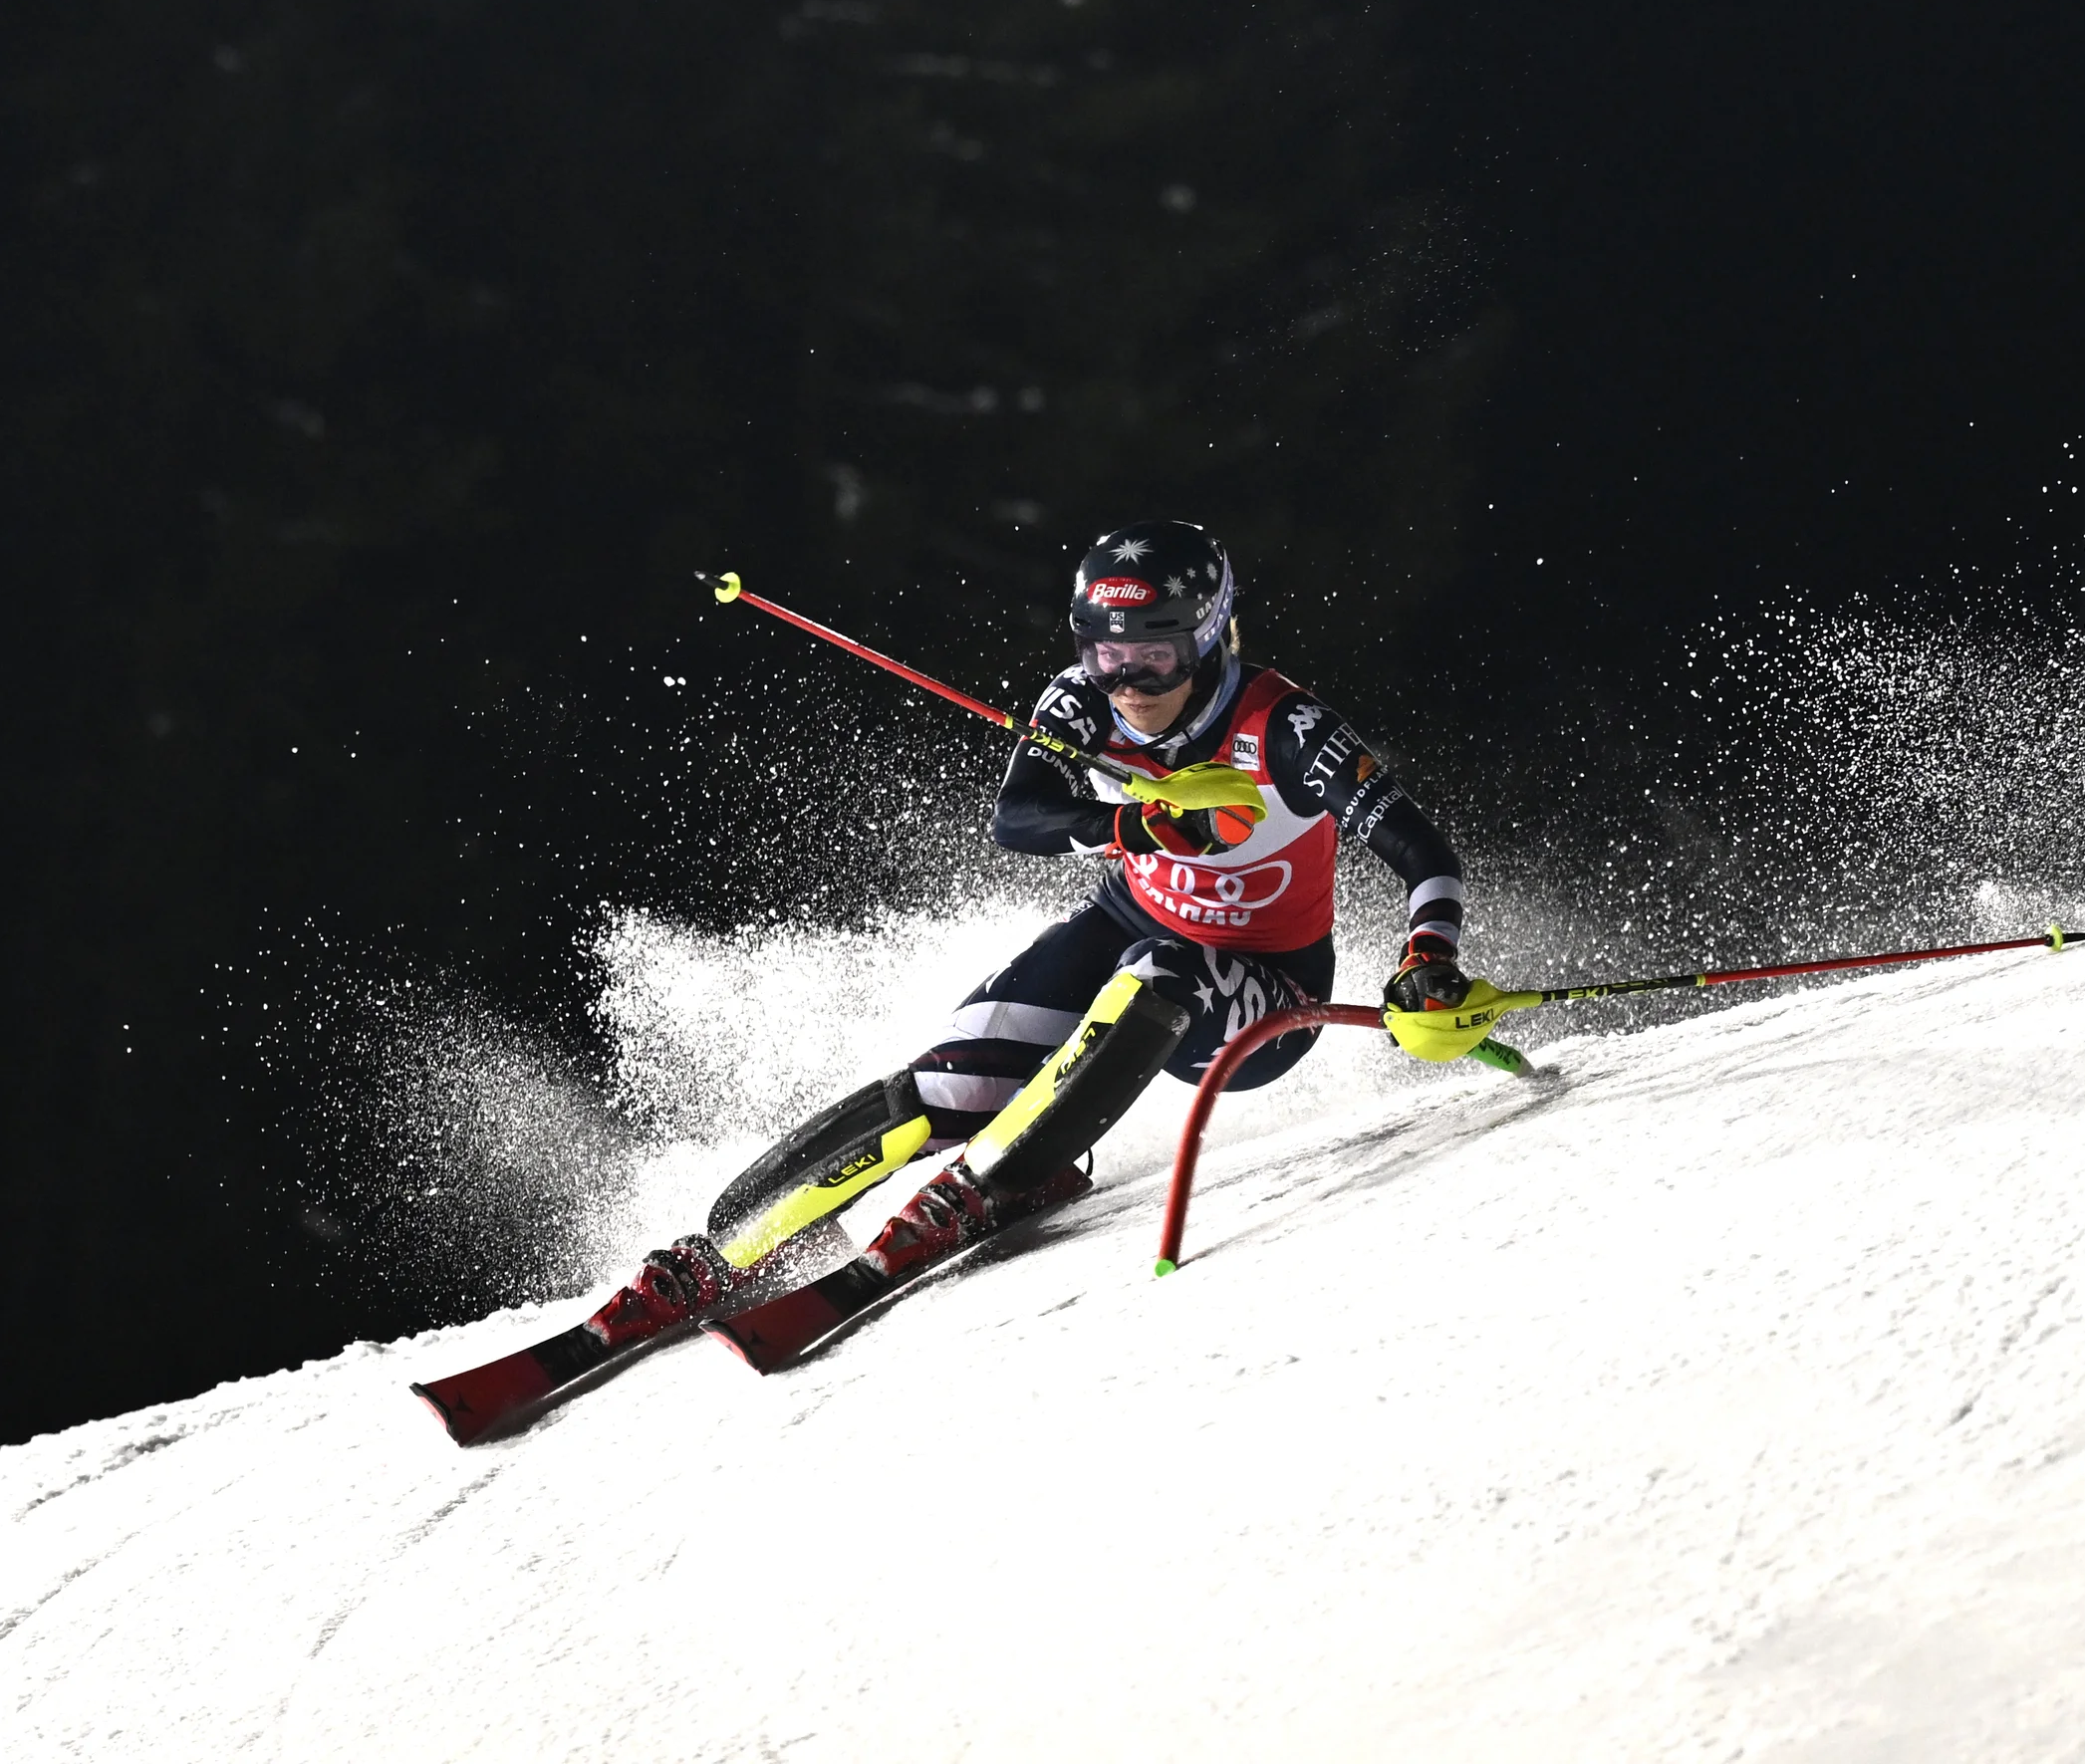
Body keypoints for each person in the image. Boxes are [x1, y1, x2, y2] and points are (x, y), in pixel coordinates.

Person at [592, 519, 1481, 1341]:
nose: (1130, 686)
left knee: (1159, 971)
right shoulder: (1083, 701)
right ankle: (725, 1250)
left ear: (1208, 640)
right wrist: (1132, 825)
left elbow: (1418, 845)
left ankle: (987, 1182)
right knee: (940, 1089)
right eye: (1106, 658)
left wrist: (1428, 956)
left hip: (1263, 990)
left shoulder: (1282, 724)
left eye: (1158, 660)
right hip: (1126, 920)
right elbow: (1016, 818)